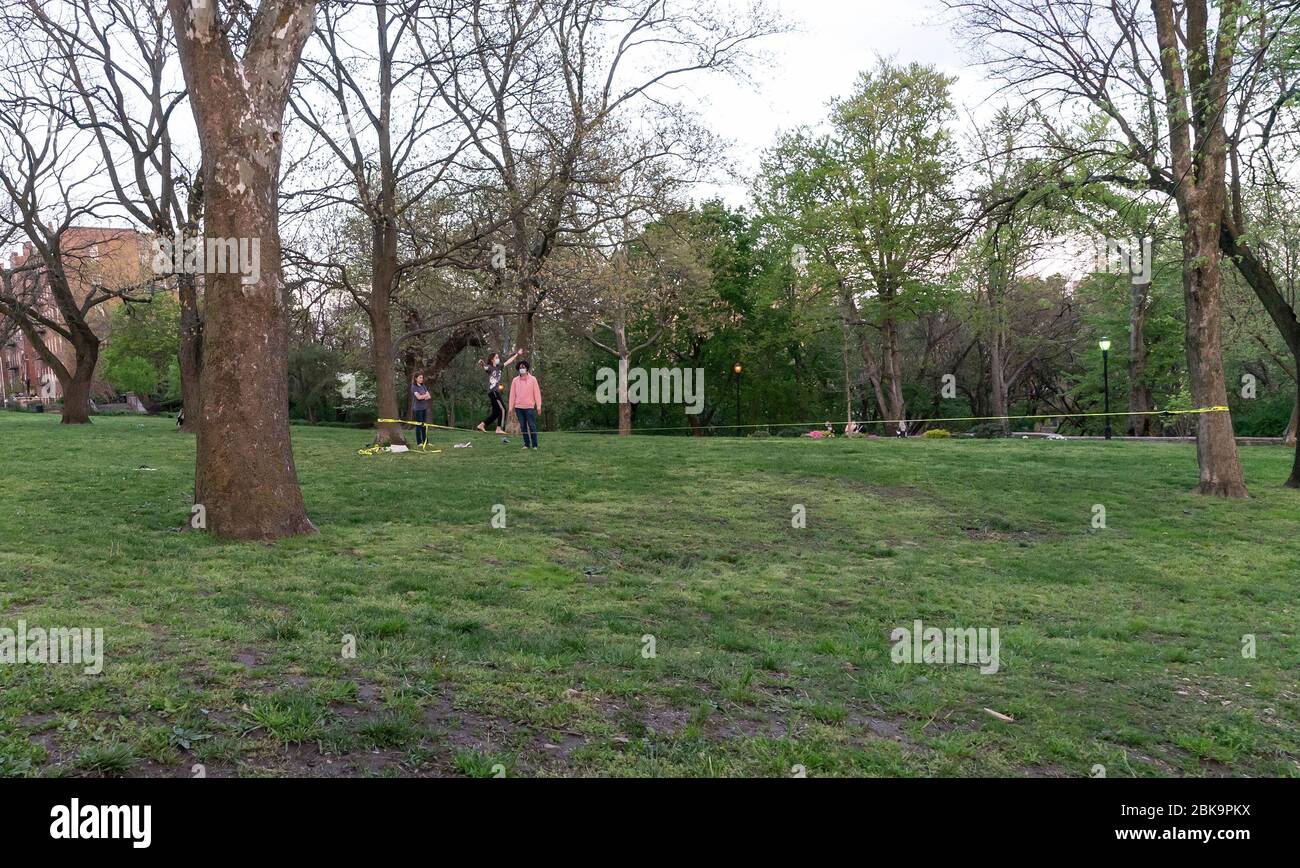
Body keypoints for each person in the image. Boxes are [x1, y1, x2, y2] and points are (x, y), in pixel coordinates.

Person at [476, 349, 524, 434]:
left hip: (494, 392)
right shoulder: (490, 368)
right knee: (503, 409)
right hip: (493, 392)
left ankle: (482, 425)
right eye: (496, 357)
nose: (498, 359)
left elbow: (509, 361)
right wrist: (482, 363)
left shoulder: (500, 367)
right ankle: (498, 429)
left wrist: (517, 354)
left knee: (495, 412)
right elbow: (485, 367)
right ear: (492, 359)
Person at [507, 360, 542, 450]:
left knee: (532, 425)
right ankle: (526, 444)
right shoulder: (515, 380)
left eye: (523, 367)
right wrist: (510, 408)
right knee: (523, 426)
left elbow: (537, 393)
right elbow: (512, 395)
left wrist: (538, 406)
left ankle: (535, 445)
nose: (521, 369)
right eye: (520, 368)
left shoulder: (533, 379)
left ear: (527, 368)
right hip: (518, 407)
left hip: (529, 407)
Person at [410, 373, 432, 448]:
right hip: (417, 409)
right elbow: (418, 397)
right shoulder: (414, 387)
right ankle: (419, 442)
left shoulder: (423, 386)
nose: (421, 379)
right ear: (416, 378)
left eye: (422, 378)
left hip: (424, 408)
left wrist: (423, 396)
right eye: (420, 378)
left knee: (424, 426)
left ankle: (426, 441)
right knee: (419, 426)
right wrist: (424, 396)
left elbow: (429, 396)